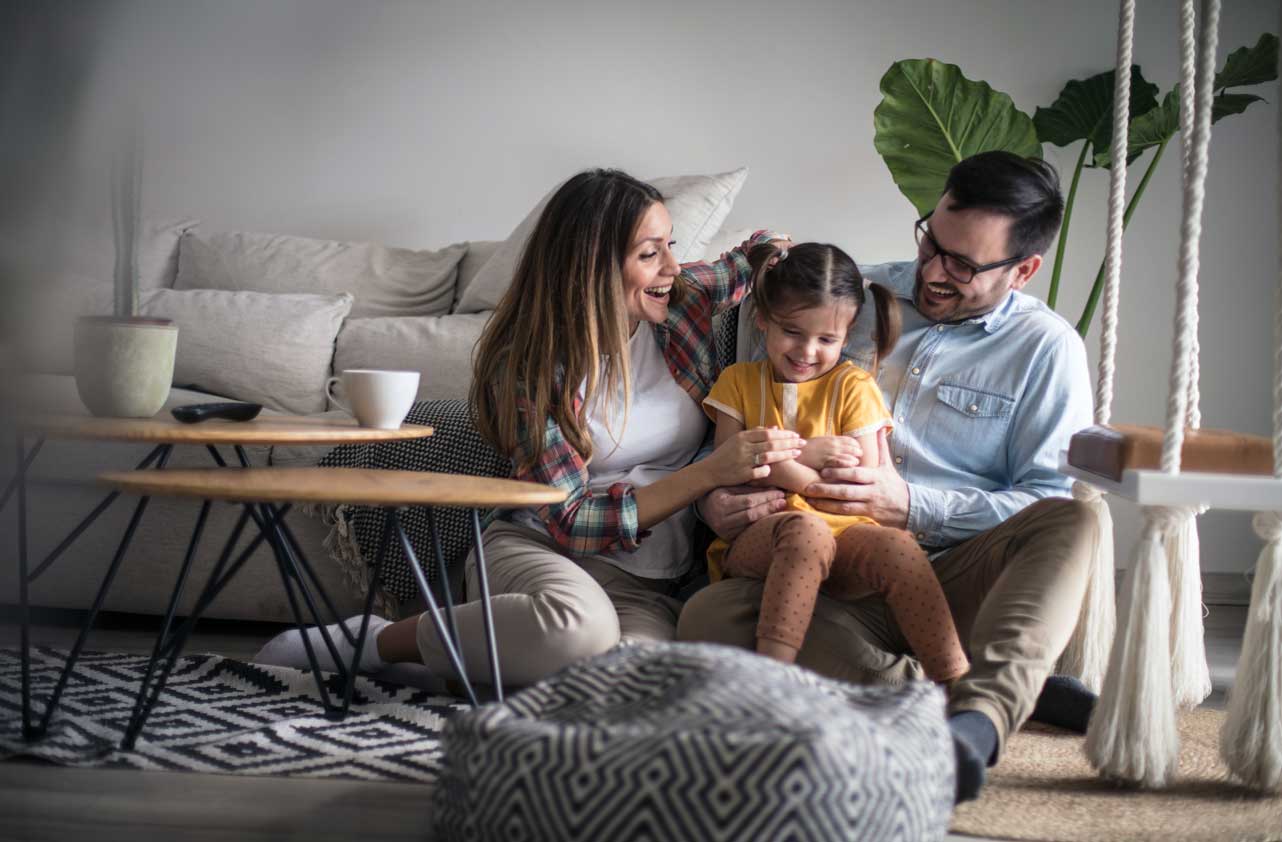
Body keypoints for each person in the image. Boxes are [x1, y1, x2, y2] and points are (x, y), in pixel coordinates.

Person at [255, 168, 797, 689]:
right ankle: (373, 644)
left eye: (671, 246)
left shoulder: (679, 303)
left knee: (633, 686)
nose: (672, 267)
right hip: (544, 552)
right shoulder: (533, 365)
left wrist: (776, 252)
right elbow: (570, 518)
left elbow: (748, 259)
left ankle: (461, 666)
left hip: (648, 581)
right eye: (650, 254)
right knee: (577, 630)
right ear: (593, 266)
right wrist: (707, 475)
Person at [678, 151, 1098, 803]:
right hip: (825, 575)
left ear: (1023, 269)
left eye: (962, 264)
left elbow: (1040, 500)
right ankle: (982, 687)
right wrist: (717, 505)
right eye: (933, 239)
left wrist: (912, 505)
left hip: (952, 573)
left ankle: (975, 730)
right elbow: (741, 435)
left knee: (1076, 520)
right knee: (709, 616)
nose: (934, 271)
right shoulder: (843, 300)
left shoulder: (1048, 350)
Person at [704, 240, 968, 685]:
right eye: (792, 331)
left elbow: (858, 482)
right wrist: (807, 460)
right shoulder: (738, 382)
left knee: (899, 548)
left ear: (846, 337)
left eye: (827, 339)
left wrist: (774, 458)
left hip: (845, 536)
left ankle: (958, 684)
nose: (807, 351)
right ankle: (771, 683)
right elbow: (730, 464)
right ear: (762, 319)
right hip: (762, 538)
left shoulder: (853, 385)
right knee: (804, 531)